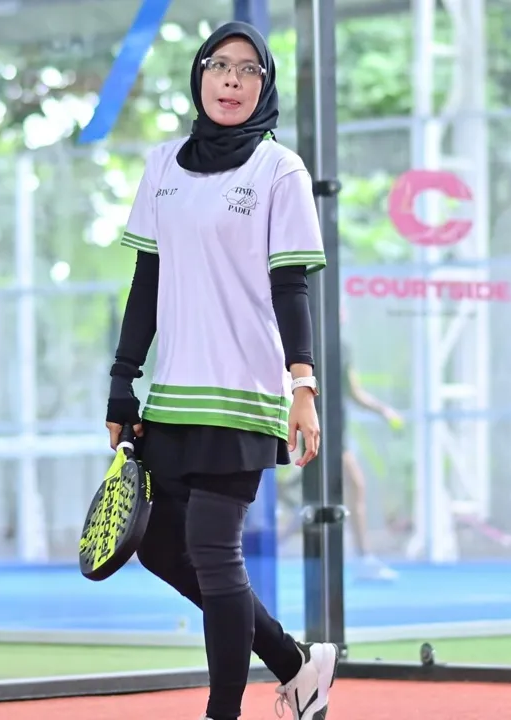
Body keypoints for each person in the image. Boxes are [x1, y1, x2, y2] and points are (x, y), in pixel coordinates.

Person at [105, 21, 338, 720]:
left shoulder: (280, 170)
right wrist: (122, 382)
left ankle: (223, 712)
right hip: (171, 395)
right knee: (159, 549)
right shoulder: (162, 166)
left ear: (264, 86)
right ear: (199, 75)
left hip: (244, 395)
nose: (232, 80)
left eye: (249, 70)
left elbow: (291, 287)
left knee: (213, 551)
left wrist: (303, 387)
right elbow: (147, 281)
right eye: (219, 65)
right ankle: (295, 664)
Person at [341, 340, 403, 582]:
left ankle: (362, 558)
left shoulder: (342, 348)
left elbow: (353, 392)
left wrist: (383, 410)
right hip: (317, 429)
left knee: (351, 487)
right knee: (353, 485)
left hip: (332, 430)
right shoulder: (309, 341)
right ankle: (363, 557)